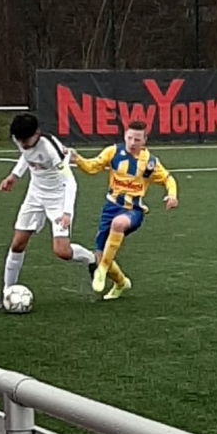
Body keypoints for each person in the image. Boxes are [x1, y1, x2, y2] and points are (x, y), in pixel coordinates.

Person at [0, 112, 95, 311]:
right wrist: (13, 176)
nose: (23, 144)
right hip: (35, 194)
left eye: (26, 141)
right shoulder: (20, 139)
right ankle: (6, 293)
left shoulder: (51, 149)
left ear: (37, 133)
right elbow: (26, 157)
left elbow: (70, 181)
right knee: (17, 244)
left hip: (58, 197)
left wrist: (67, 213)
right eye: (19, 141)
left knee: (62, 252)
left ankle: (92, 259)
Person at [71, 120, 178, 301]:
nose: (132, 143)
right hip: (110, 208)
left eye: (137, 139)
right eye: (129, 138)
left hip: (133, 210)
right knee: (100, 254)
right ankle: (121, 283)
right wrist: (78, 159)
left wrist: (172, 195)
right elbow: (92, 167)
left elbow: (168, 179)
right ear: (125, 136)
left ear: (144, 140)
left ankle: (101, 270)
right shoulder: (112, 152)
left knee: (118, 223)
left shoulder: (149, 162)